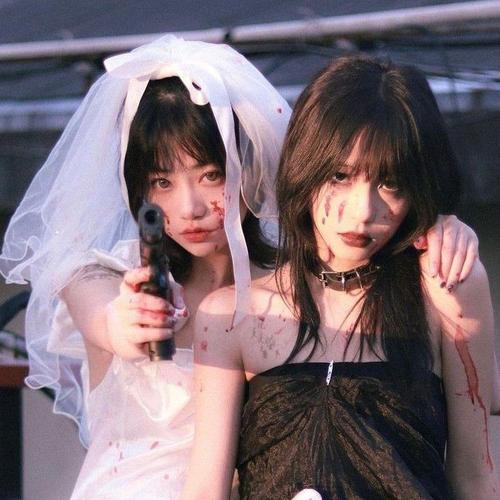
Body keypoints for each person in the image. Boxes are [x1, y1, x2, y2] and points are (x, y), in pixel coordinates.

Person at [0, 37, 484, 498]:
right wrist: (127, 320)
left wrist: (442, 224)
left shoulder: (290, 284)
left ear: (250, 165)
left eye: (211, 176)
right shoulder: (100, 275)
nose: (189, 207)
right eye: (161, 182)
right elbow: (109, 319)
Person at [183, 56, 499, 499]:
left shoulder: (447, 287)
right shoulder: (232, 316)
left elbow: (475, 477)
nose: (363, 211)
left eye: (391, 183)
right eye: (340, 176)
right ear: (305, 165)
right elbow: (205, 489)